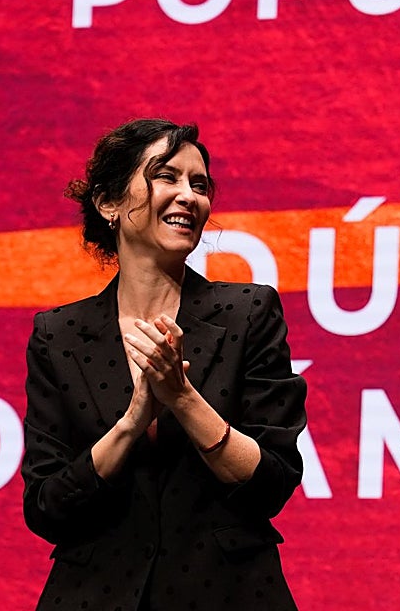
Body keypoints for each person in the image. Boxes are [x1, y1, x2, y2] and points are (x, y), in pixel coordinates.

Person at [22, 119, 307, 611]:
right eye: (167, 176)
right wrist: (132, 425)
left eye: (199, 185)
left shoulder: (248, 312)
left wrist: (182, 398)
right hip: (95, 595)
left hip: (227, 593)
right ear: (109, 203)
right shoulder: (60, 335)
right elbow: (47, 506)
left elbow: (273, 482)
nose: (189, 197)